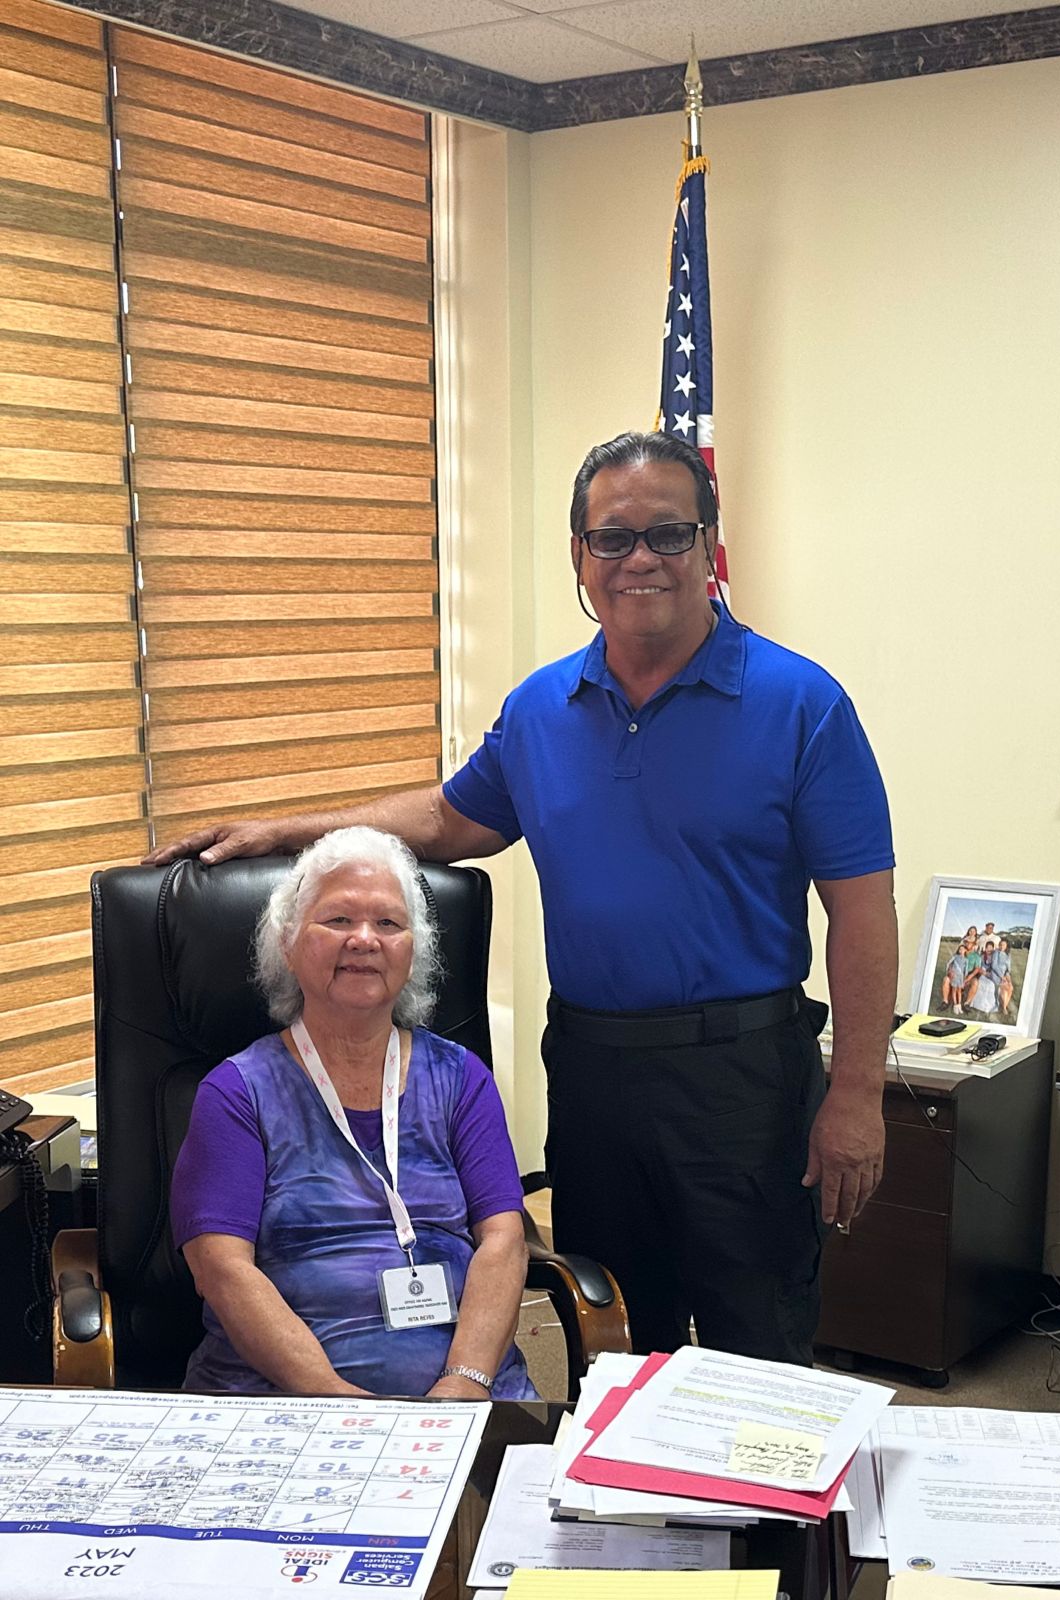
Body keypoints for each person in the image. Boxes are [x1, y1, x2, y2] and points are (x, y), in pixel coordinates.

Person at [149, 430, 897, 1366]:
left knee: (758, 1334)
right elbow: (449, 816)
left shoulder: (802, 703)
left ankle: (769, 1520)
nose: (639, 560)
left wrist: (858, 1092)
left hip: (743, 1073)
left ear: (710, 545)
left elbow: (863, 909)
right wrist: (287, 830)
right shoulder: (543, 708)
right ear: (578, 557)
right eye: (611, 538)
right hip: (591, 1070)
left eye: (667, 534)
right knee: (616, 1332)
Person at [170, 825, 535, 1399]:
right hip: (289, 1402)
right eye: (338, 920)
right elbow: (222, 1270)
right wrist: (334, 1399)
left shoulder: (461, 1079)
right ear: (288, 943)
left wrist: (463, 1381)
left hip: (466, 1392)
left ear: (413, 951)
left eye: (388, 923)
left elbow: (503, 1241)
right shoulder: (237, 1093)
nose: (364, 939)